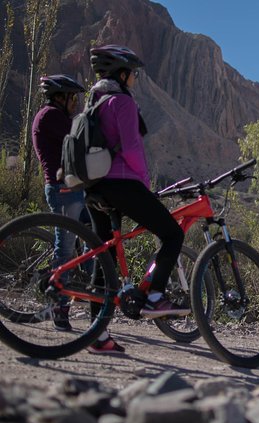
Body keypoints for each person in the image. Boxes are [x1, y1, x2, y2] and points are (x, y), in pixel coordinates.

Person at [85, 44, 189, 352]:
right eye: (133, 74)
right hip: (123, 184)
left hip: (95, 187)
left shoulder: (95, 101)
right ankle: (156, 296)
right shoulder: (122, 102)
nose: (135, 79)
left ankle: (97, 336)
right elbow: (131, 149)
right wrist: (144, 185)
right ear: (122, 73)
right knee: (172, 233)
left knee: (102, 257)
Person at [32, 74, 88, 332]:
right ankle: (59, 308)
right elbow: (79, 139)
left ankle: (93, 285)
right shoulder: (51, 116)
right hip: (63, 189)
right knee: (65, 249)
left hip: (72, 189)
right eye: (72, 98)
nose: (75, 102)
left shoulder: (53, 116)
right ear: (60, 97)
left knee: (93, 236)